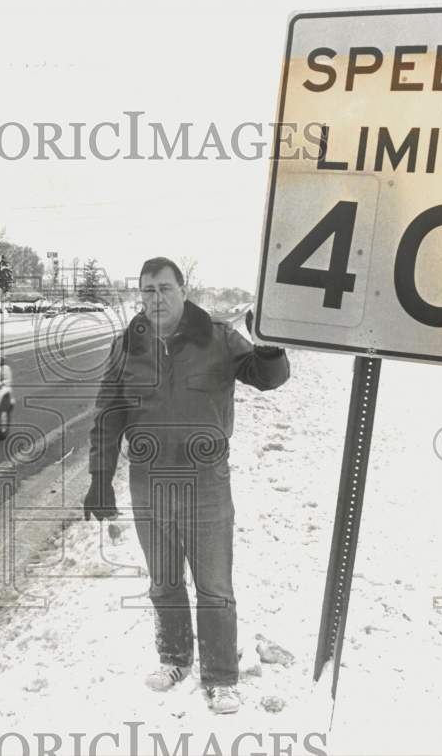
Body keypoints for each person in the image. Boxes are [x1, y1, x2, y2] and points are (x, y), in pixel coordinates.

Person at [84, 256, 290, 715]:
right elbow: (107, 415)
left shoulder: (216, 336)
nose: (154, 298)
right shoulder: (128, 346)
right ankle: (174, 658)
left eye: (163, 289)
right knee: (163, 580)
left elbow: (266, 377)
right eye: (146, 290)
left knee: (214, 584)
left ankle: (220, 678)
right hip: (148, 479)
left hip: (205, 480)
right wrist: (100, 479)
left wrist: (269, 348)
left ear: (183, 289)